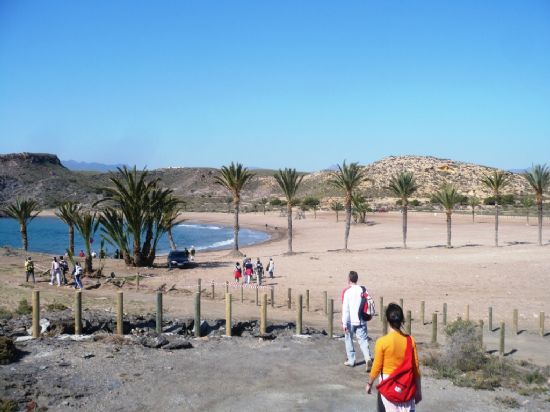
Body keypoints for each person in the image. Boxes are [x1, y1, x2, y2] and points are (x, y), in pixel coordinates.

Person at [366, 303, 422, 412]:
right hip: (407, 385)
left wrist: (369, 383)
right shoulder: (410, 341)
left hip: (388, 385)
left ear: (387, 320)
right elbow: (416, 368)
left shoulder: (382, 342)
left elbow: (377, 366)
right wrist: (418, 390)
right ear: (402, 320)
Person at [341, 270, 373, 371]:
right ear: (356, 279)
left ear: (349, 279)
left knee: (348, 339)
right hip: (361, 319)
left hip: (350, 321)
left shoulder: (347, 292)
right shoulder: (363, 289)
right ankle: (367, 358)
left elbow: (345, 309)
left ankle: (351, 360)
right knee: (363, 340)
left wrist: (344, 323)